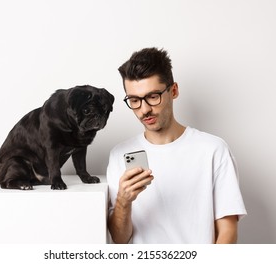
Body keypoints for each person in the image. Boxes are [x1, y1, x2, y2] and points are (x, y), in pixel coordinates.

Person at [106, 47, 247, 244]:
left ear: (173, 91)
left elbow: (227, 232)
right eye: (135, 100)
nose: (144, 109)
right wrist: (123, 201)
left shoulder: (213, 149)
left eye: (153, 96)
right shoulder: (119, 154)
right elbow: (120, 239)